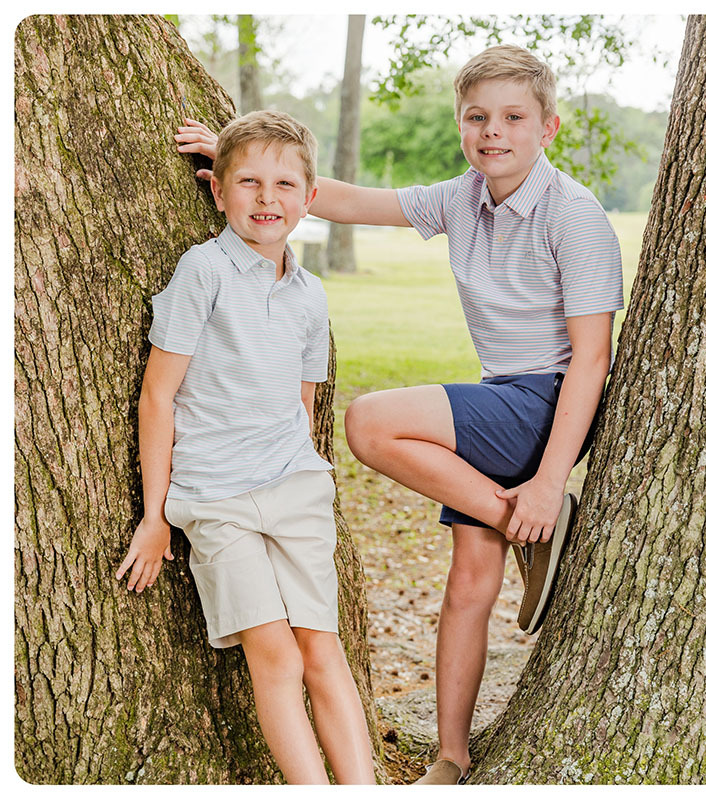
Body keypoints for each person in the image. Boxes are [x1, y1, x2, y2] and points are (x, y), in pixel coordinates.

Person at [175, 43, 623, 785]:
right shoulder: (460, 199)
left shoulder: (574, 216)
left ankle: (527, 523)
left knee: (371, 422)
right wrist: (237, 149)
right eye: (476, 117)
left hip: (545, 401)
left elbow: (592, 360)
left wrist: (546, 486)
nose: (493, 131)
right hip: (498, 399)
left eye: (514, 117)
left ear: (547, 128)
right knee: (469, 586)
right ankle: (451, 757)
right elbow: (339, 196)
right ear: (459, 125)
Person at [116, 110, 375, 785]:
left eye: (285, 184)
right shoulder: (202, 272)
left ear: (311, 199)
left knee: (322, 649)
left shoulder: (311, 295)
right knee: (277, 657)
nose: (268, 199)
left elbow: (304, 405)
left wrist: (308, 471)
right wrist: (155, 518)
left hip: (295, 488)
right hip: (216, 498)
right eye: (250, 182)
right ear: (218, 191)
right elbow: (158, 398)